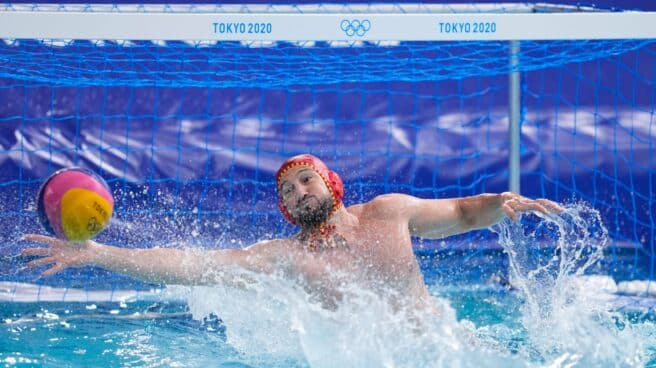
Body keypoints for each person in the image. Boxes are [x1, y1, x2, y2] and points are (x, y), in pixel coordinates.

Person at [22, 154, 563, 310]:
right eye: (286, 192)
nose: (297, 192)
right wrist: (98, 253)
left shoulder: (390, 213)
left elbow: (464, 214)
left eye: (306, 180)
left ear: (331, 184)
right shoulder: (282, 255)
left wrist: (502, 203)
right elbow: (191, 265)